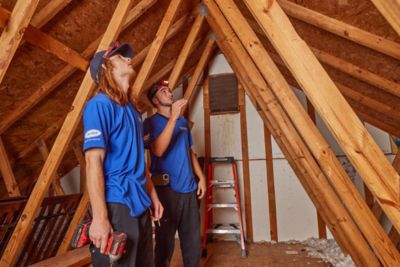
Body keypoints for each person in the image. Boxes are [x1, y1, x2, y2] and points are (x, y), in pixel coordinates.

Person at [83, 42, 163, 267]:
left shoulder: (133, 111)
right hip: (117, 203)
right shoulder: (98, 105)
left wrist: (153, 196)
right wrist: (100, 217)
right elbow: (93, 161)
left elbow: (139, 161)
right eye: (119, 57)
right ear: (106, 68)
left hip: (140, 203)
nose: (128, 59)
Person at [143, 80, 206, 267]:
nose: (170, 93)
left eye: (169, 90)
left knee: (192, 244)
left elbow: (189, 151)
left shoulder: (183, 122)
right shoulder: (150, 123)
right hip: (166, 191)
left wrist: (201, 178)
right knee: (164, 244)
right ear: (155, 101)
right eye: (163, 91)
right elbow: (157, 150)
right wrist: (173, 119)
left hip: (188, 190)